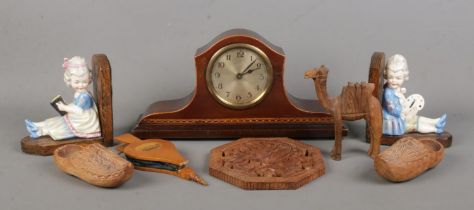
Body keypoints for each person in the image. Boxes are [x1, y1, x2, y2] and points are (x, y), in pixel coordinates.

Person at [25, 56, 101, 140]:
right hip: (78, 117)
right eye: (77, 82)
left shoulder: (84, 95)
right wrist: (66, 105)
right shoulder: (79, 93)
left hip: (84, 121)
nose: (81, 85)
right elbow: (76, 105)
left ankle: (40, 131)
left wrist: (65, 107)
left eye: (85, 82)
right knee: (59, 121)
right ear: (69, 81)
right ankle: (37, 125)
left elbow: (79, 110)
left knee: (62, 126)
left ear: (89, 79)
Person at [382, 54, 447, 135]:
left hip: (400, 116)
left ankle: (436, 121)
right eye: (390, 77)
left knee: (415, 118)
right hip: (394, 120)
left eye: (398, 78)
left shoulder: (395, 89)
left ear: (404, 77)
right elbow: (392, 110)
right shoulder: (388, 92)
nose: (394, 81)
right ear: (386, 75)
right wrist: (405, 111)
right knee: (413, 125)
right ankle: (435, 128)